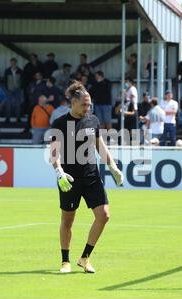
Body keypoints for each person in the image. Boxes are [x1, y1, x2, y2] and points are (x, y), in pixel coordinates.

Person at [49, 80, 124, 273]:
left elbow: (100, 146)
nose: (87, 107)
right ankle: (65, 261)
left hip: (91, 176)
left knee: (104, 215)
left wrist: (113, 166)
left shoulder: (93, 120)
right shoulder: (60, 123)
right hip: (69, 179)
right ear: (73, 103)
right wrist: (59, 173)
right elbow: (54, 154)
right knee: (67, 220)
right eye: (84, 104)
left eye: (89, 104)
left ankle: (85, 258)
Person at [4, 58, 24, 123]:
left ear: (16, 62)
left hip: (17, 89)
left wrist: (20, 87)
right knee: (8, 104)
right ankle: (7, 118)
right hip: (9, 89)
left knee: (18, 104)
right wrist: (7, 88)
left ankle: (18, 118)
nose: (13, 63)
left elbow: (23, 80)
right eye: (12, 62)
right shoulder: (7, 71)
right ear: (10, 63)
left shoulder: (20, 71)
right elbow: (5, 80)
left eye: (14, 62)